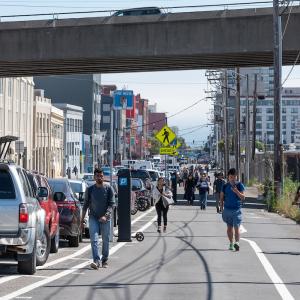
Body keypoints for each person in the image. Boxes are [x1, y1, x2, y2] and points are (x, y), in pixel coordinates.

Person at [81, 168, 115, 269]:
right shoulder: (90, 189)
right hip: (93, 217)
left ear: (103, 177)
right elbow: (85, 205)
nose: (99, 178)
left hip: (105, 218)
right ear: (94, 177)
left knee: (105, 239)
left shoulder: (109, 188)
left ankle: (104, 259)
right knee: (94, 239)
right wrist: (82, 220)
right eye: (97, 176)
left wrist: (106, 215)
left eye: (101, 176)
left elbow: (112, 204)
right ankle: (96, 260)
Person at [220, 168, 245, 251]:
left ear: (236, 177)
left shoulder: (239, 185)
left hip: (237, 210)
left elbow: (243, 197)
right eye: (231, 177)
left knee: (236, 227)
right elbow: (221, 197)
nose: (233, 179)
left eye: (234, 177)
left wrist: (236, 191)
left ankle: (237, 243)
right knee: (229, 228)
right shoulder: (225, 186)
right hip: (227, 209)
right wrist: (221, 207)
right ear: (228, 177)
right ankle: (231, 243)